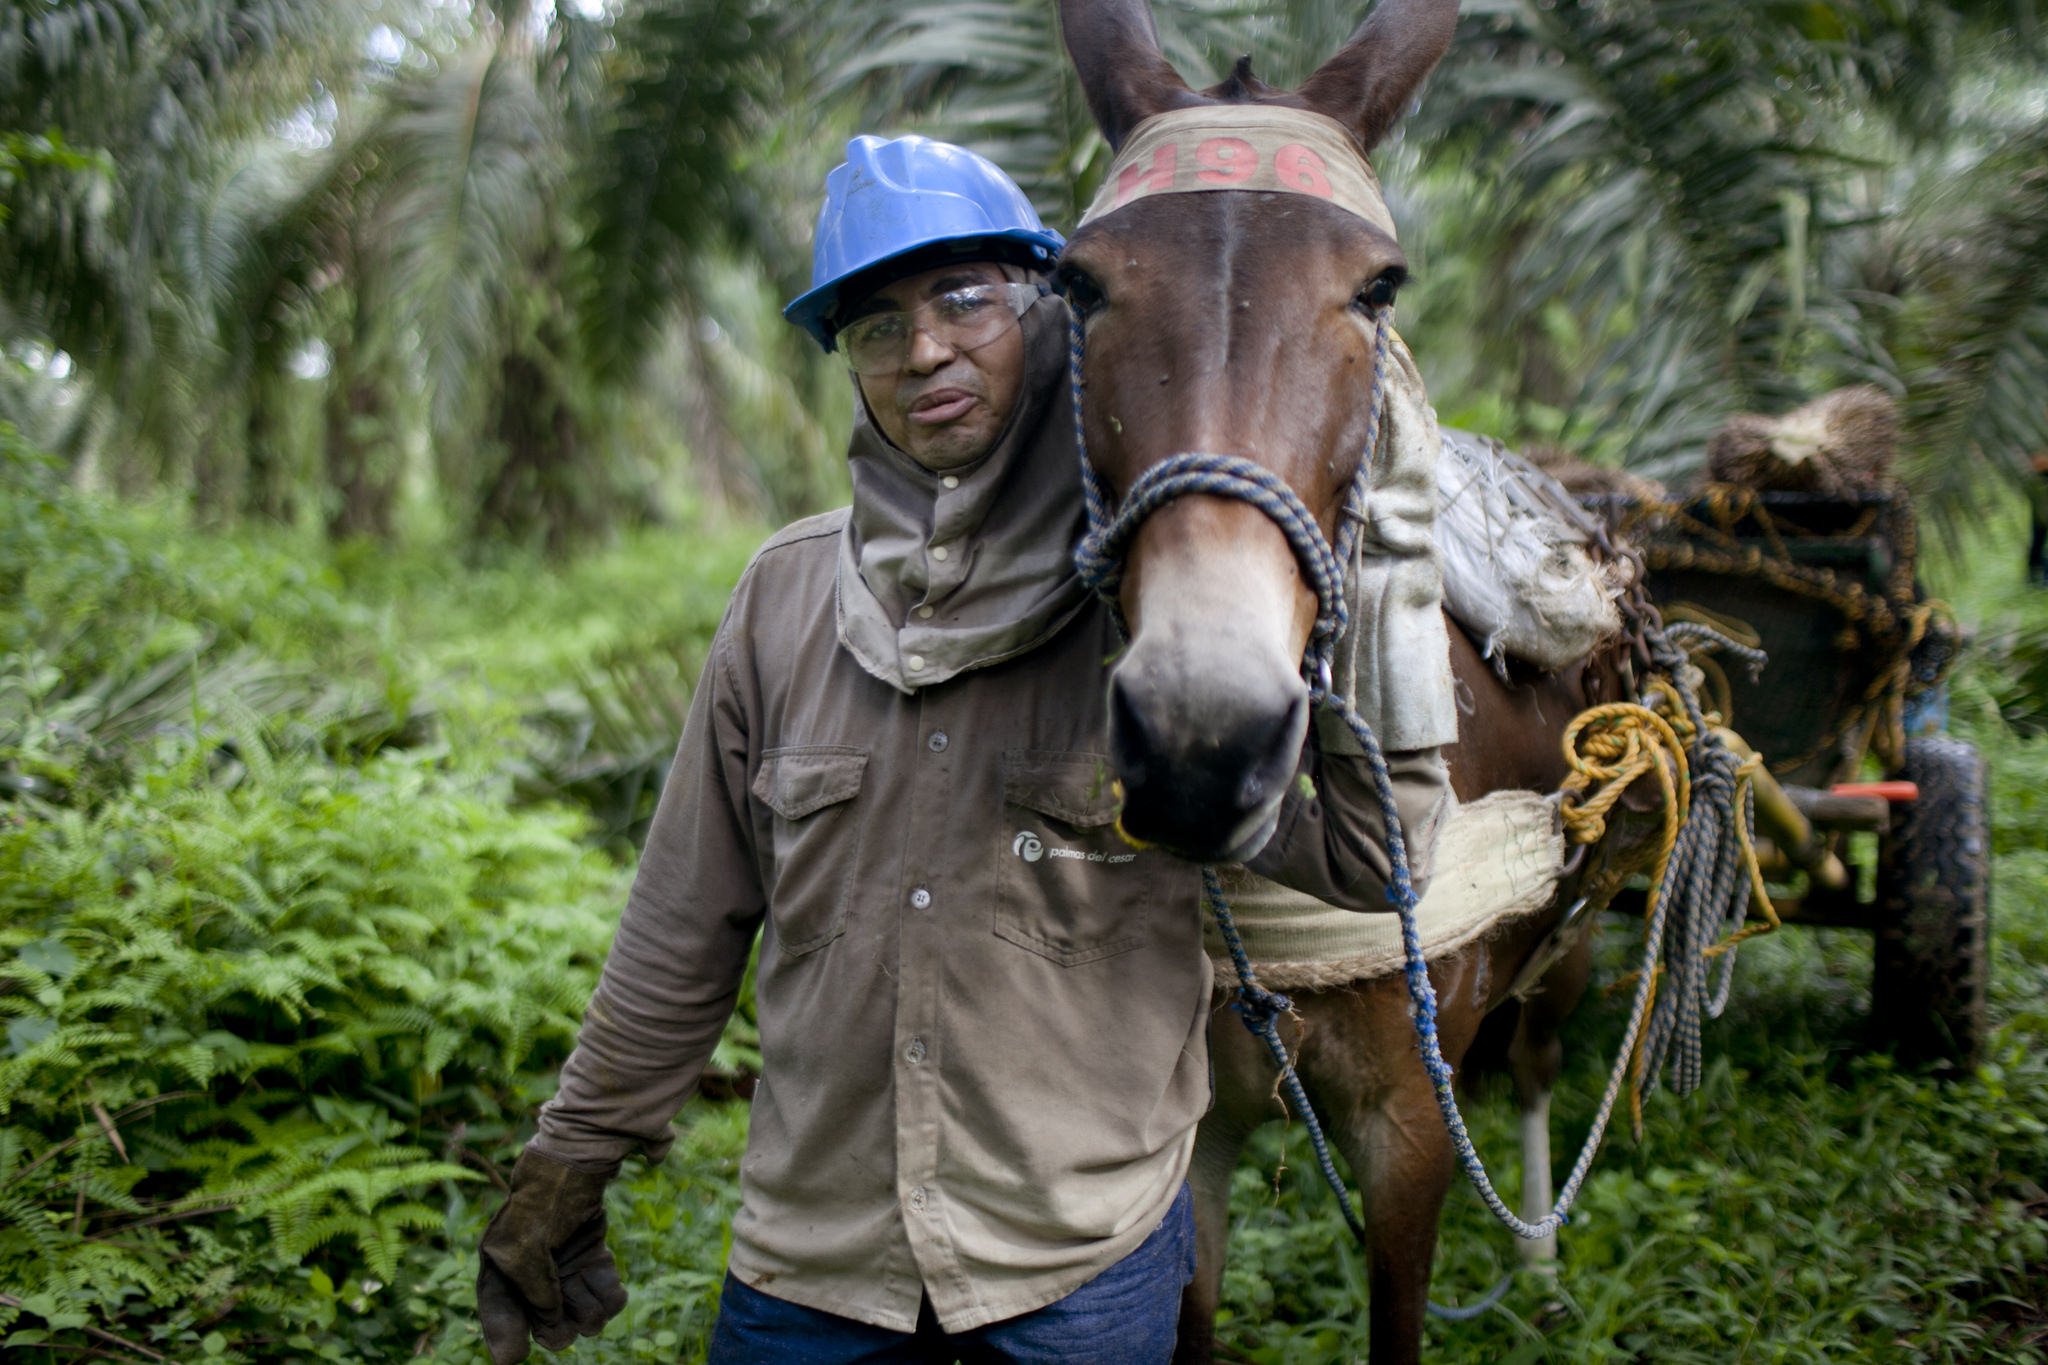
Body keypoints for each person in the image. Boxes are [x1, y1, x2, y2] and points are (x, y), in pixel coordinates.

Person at [474, 133, 1451, 1365]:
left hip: (1070, 1272)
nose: (924, 348)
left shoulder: (1164, 607)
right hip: (811, 1272)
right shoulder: (782, 601)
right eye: (874, 325)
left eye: (962, 298)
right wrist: (569, 1159)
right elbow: (682, 925)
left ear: (1050, 311)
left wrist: (1375, 560)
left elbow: (1379, 861)